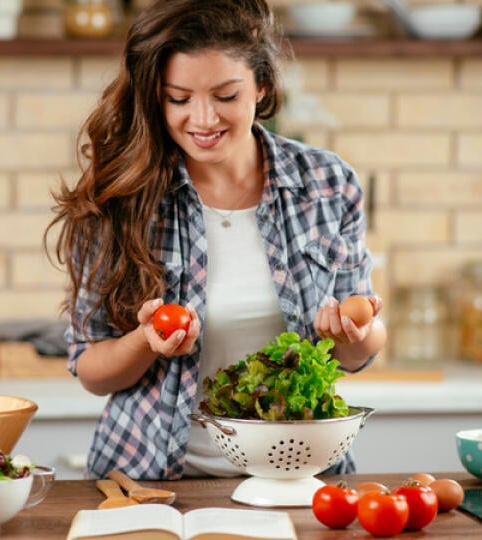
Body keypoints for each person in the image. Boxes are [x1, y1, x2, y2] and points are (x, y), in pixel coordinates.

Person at [45, 0, 386, 481]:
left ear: (262, 85)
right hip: (151, 483)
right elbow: (90, 368)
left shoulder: (328, 183)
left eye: (225, 95)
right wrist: (148, 341)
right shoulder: (123, 197)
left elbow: (360, 351)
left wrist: (350, 333)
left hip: (300, 479)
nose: (202, 119)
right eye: (178, 99)